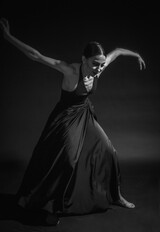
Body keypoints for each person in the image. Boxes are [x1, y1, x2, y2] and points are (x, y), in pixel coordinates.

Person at [0, 18, 146, 226]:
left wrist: (137, 55)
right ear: (83, 59)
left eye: (102, 63)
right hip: (65, 118)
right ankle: (53, 206)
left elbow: (119, 51)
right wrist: (8, 37)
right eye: (95, 63)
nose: (99, 68)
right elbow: (36, 56)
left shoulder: (100, 66)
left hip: (85, 113)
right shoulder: (70, 70)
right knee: (68, 159)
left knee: (109, 151)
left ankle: (116, 196)